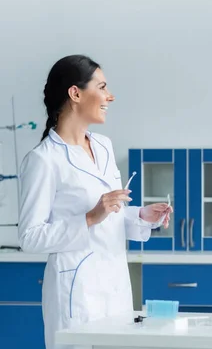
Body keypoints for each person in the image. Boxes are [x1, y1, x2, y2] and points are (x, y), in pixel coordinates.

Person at [18, 55, 172, 349]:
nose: (109, 96)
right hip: (77, 294)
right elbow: (29, 237)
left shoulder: (103, 146)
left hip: (114, 284)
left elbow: (110, 213)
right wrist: (89, 217)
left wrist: (140, 215)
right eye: (101, 87)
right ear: (75, 93)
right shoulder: (43, 160)